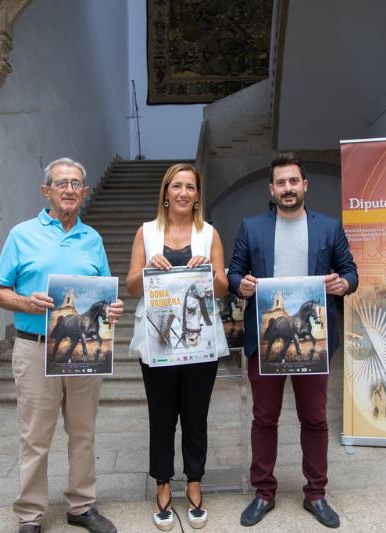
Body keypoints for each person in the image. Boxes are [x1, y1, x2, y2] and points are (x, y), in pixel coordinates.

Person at [0, 157, 123, 533]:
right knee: (35, 435)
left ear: (84, 191)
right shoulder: (22, 234)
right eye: (62, 183)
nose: (69, 190)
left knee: (83, 431)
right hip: (35, 347)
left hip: (81, 356)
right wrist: (25, 302)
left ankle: (81, 505)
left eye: (76, 184)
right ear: (46, 190)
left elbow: (102, 291)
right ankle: (30, 514)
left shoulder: (92, 238)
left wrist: (111, 309)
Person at [228, 153, 358, 529]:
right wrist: (242, 284)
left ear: (305, 185)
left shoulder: (329, 228)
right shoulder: (251, 228)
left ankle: (316, 493)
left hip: (313, 341)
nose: (287, 188)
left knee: (315, 420)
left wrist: (343, 283)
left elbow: (350, 271)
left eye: (293, 181)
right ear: (272, 189)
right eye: (280, 183)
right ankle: (263, 493)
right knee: (264, 419)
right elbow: (235, 272)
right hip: (266, 343)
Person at [126, 163, 229, 531]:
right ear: (166, 193)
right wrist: (147, 269)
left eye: (190, 187)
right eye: (177, 186)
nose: (183, 193)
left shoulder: (210, 234)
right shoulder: (147, 232)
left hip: (200, 341)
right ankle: (164, 485)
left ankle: (195, 484)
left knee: (196, 416)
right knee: (162, 416)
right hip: (159, 340)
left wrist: (212, 272)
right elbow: (132, 286)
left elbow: (222, 288)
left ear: (198, 194)